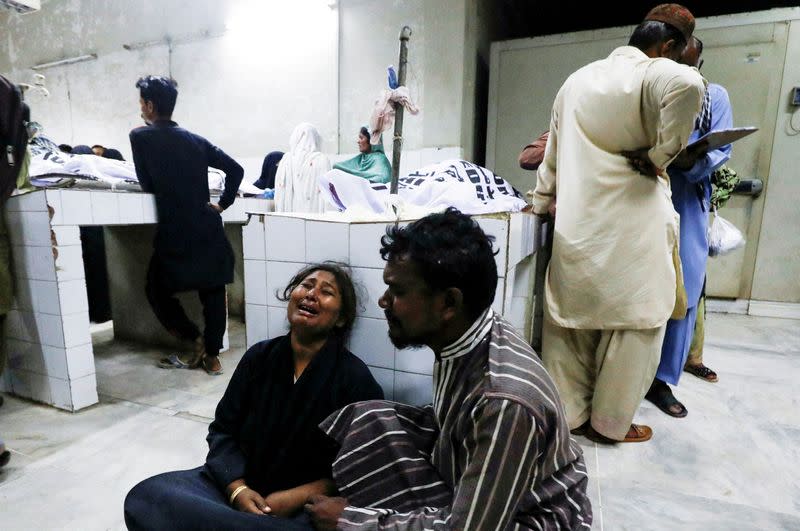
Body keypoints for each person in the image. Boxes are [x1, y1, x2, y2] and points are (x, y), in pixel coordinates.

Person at [304, 209, 592, 530]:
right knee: (370, 420)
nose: (384, 301)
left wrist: (352, 521)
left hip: (531, 519)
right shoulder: (466, 335)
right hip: (466, 471)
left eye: (398, 292)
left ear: (449, 304)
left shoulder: (504, 401)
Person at [531, 4, 706, 443]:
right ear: (667, 47)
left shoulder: (576, 81)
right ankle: (610, 425)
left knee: (569, 331)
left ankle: (567, 417)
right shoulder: (656, 74)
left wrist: (540, 203)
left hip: (579, 230)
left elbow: (551, 157)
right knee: (632, 332)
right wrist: (658, 155)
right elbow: (688, 83)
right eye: (682, 54)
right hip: (634, 234)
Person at [124, 263, 385, 530]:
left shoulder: (354, 379)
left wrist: (299, 495)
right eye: (306, 286)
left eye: (326, 291)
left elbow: (361, 466)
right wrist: (237, 490)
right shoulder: (259, 357)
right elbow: (222, 430)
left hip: (300, 511)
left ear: (341, 318)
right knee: (146, 497)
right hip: (235, 490)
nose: (311, 294)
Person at [129, 75, 243, 375]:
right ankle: (213, 356)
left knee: (156, 289)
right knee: (213, 292)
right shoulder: (196, 140)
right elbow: (236, 169)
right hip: (206, 227)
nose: (141, 108)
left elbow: (147, 183)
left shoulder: (140, 137)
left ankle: (195, 340)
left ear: (150, 105)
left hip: (175, 230)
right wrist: (223, 204)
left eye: (142, 103)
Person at [646, 36, 733, 417]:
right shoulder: (647, 90)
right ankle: (631, 370)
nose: (684, 70)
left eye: (691, 64)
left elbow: (720, 150)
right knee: (641, 283)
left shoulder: (713, 96)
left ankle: (661, 379)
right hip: (644, 191)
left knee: (685, 286)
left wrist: (687, 163)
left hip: (687, 197)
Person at [274, 123, 331, 213]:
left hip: (290, 218)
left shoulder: (286, 160)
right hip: (314, 217)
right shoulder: (322, 160)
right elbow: (327, 195)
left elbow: (279, 195)